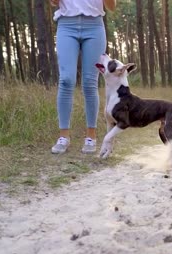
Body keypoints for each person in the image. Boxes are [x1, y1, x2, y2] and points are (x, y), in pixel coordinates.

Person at [50, 0, 116, 154]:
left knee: (89, 82)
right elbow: (53, 2)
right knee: (66, 80)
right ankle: (63, 136)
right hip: (66, 25)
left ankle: (91, 136)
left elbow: (111, 7)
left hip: (94, 27)